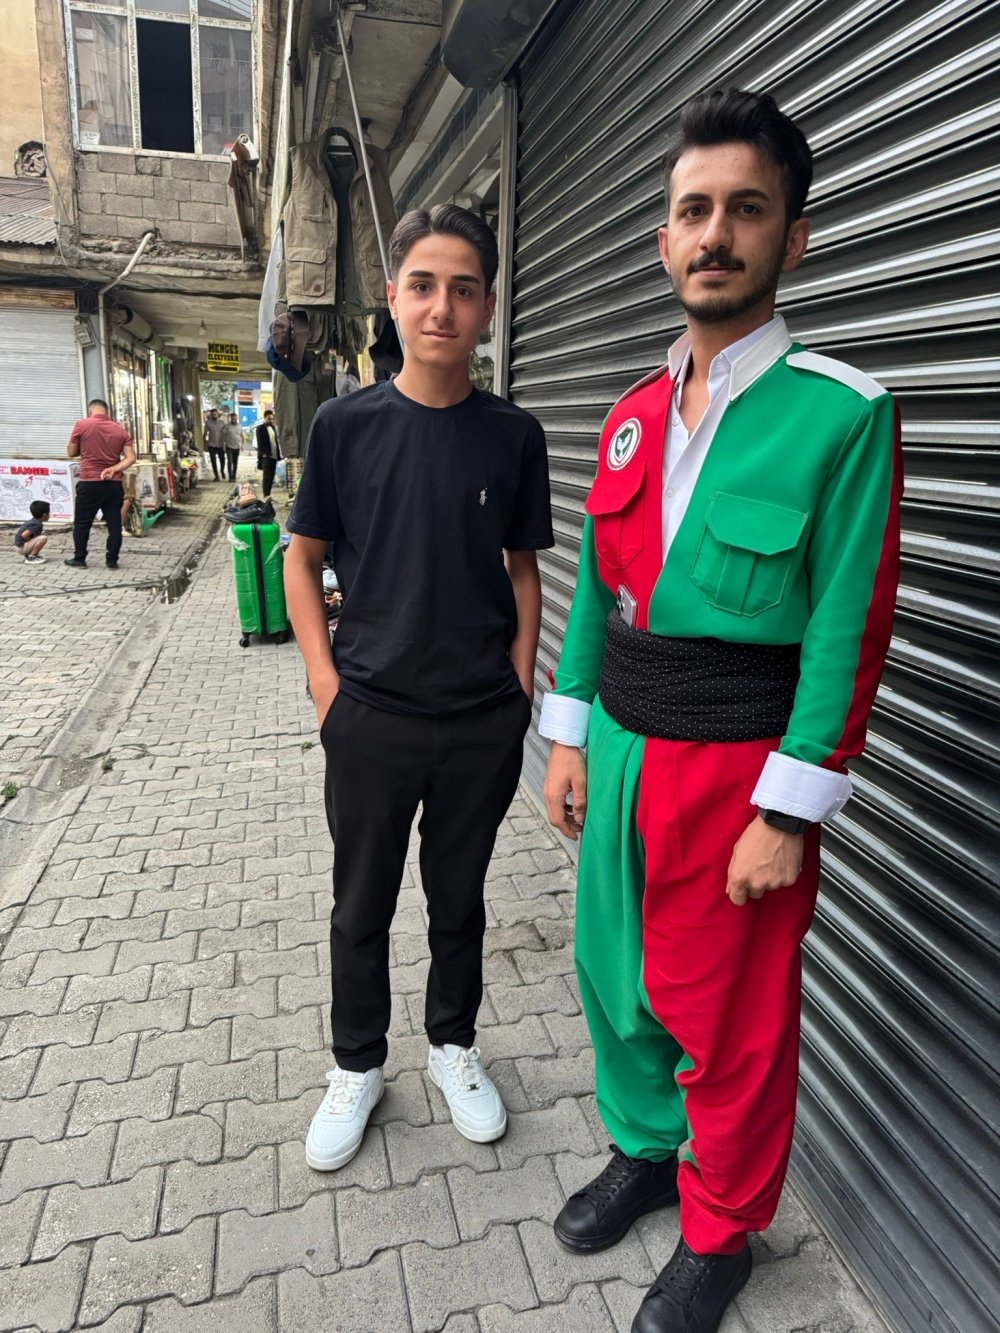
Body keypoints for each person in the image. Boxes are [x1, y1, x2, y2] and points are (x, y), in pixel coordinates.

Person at [538, 89, 901, 1333]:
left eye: (745, 210)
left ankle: (720, 1227)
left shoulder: (842, 414)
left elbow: (848, 630)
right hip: (623, 748)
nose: (714, 233)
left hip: (739, 772)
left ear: (791, 237)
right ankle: (646, 1150)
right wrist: (568, 736)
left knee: (729, 1020)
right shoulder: (630, 415)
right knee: (614, 976)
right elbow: (600, 592)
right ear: (663, 240)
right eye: (693, 211)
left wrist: (788, 812)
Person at [284, 203, 553, 1173]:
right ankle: (357, 1063)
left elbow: (523, 568)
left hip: (479, 719)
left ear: (487, 308)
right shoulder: (345, 426)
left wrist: (519, 687)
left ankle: (452, 1045)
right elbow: (301, 557)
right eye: (424, 286)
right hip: (371, 717)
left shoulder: (512, 435)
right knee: (360, 905)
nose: (442, 307)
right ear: (393, 299)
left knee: (459, 899)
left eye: (463, 289)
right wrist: (326, 684)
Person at [65, 398, 136, 570]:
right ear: (107, 411)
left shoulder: (82, 425)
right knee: (114, 524)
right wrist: (113, 468)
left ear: (91, 411)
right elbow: (131, 458)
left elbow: (71, 452)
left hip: (89, 483)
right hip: (113, 484)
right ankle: (112, 561)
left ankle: (80, 559)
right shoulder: (120, 430)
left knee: (82, 523)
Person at [255, 408, 281, 498]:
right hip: (266, 456)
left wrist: (278, 455)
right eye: (269, 419)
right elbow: (260, 443)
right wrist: (264, 453)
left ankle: (268, 494)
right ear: (265, 418)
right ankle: (266, 495)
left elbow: (275, 442)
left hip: (274, 456)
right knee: (266, 477)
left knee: (271, 477)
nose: (271, 420)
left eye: (272, 419)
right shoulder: (260, 428)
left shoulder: (273, 428)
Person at [14, 500, 49, 564]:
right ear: (44, 515)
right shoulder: (37, 524)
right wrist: (29, 541)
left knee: (37, 538)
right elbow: (24, 535)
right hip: (21, 547)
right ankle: (32, 557)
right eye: (49, 513)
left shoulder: (33, 521)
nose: (49, 515)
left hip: (19, 546)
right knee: (43, 538)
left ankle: (30, 555)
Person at [203, 408, 226, 480]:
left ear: (217, 414)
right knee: (213, 461)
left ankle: (222, 471)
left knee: (222, 460)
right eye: (212, 414)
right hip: (211, 444)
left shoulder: (222, 423)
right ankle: (216, 476)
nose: (214, 415)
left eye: (215, 414)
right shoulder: (208, 423)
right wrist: (205, 444)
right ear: (211, 415)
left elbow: (225, 434)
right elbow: (205, 434)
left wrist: (225, 444)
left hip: (220, 444)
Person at [222, 412, 243, 483]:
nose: (233, 419)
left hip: (237, 447)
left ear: (237, 418)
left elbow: (242, 436)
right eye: (232, 418)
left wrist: (242, 445)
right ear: (230, 418)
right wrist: (223, 444)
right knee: (229, 462)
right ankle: (230, 477)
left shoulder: (240, 426)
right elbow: (223, 435)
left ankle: (234, 476)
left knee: (235, 463)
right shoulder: (227, 426)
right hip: (229, 447)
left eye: (235, 418)